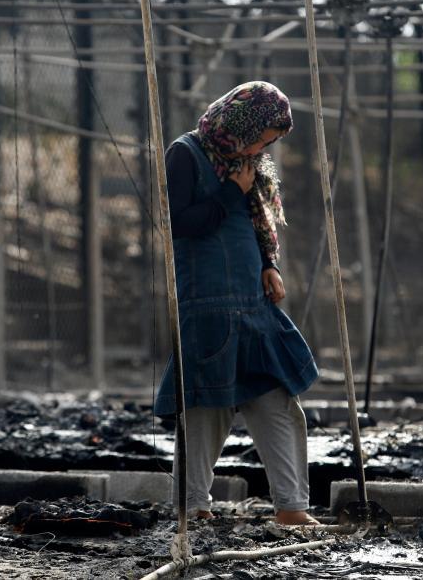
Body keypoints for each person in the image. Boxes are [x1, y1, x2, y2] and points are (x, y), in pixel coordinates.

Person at [154, 81, 320, 526]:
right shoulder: (185, 155)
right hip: (206, 303)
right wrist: (229, 192)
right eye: (264, 136)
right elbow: (179, 223)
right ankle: (194, 507)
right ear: (241, 122)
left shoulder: (245, 161)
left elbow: (255, 221)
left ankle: (291, 507)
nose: (266, 147)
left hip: (252, 301)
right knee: (205, 407)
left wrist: (269, 263)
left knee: (277, 399)